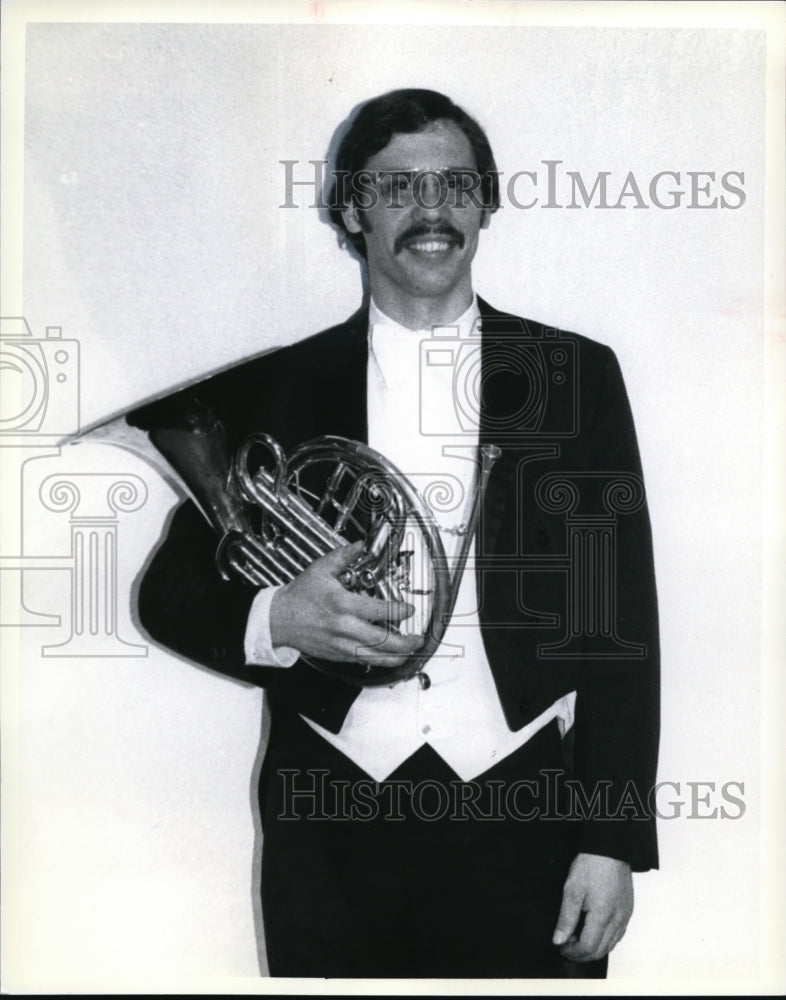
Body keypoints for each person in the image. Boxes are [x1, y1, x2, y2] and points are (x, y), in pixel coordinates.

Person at [130, 89, 660, 979]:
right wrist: (279, 619)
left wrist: (612, 839)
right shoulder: (279, 390)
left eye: (457, 183)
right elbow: (169, 593)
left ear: (486, 204)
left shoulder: (574, 379)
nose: (432, 208)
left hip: (527, 809)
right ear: (351, 210)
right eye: (399, 187)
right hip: (328, 813)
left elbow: (620, 626)